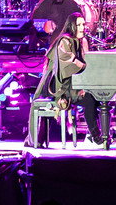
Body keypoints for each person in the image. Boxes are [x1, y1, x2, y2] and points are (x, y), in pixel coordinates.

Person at [35, 12, 106, 146]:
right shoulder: (64, 41)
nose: (82, 28)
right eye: (78, 25)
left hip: (72, 84)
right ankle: (96, 137)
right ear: (71, 26)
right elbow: (70, 66)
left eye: (83, 24)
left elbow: (84, 62)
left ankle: (94, 134)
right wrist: (84, 74)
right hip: (59, 87)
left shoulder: (79, 41)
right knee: (90, 100)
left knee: (97, 98)